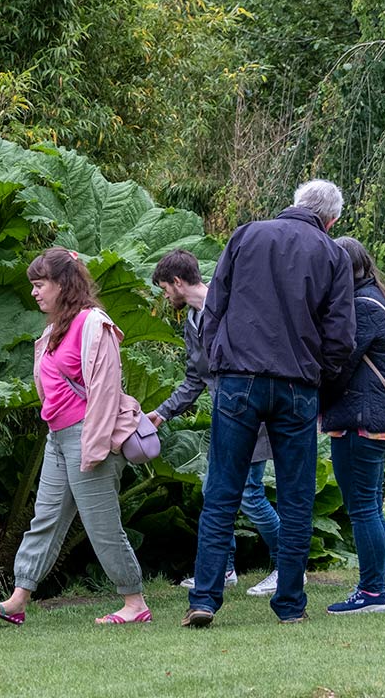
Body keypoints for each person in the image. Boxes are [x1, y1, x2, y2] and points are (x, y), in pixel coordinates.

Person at [183, 180, 355, 628]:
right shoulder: (333, 254)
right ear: (331, 220)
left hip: (239, 379)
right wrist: (321, 380)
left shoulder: (246, 234)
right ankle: (290, 605)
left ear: (295, 203)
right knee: (297, 498)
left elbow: (214, 306)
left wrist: (220, 364)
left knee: (222, 491)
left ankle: (204, 598)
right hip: (298, 384)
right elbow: (341, 336)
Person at [0, 247, 151, 626]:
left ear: (63, 284)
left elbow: (105, 392)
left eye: (41, 285)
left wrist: (95, 446)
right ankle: (18, 599)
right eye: (34, 286)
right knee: (46, 518)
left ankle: (135, 603)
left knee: (102, 524)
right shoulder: (53, 329)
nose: (35, 292)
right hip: (57, 438)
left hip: (89, 436)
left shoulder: (94, 325)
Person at [147, 249, 286, 597]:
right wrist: (162, 413)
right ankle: (223, 569)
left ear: (178, 282)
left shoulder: (227, 309)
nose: (165, 296)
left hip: (251, 415)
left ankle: (289, 567)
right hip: (227, 419)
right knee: (213, 492)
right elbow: (196, 379)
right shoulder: (193, 320)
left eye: (165, 288)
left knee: (250, 494)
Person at [319, 237, 385, 614]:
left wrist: (312, 398)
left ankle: (373, 593)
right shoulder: (374, 297)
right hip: (371, 419)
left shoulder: (361, 306)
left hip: (360, 420)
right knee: (369, 505)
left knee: (363, 508)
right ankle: (376, 588)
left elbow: (339, 366)